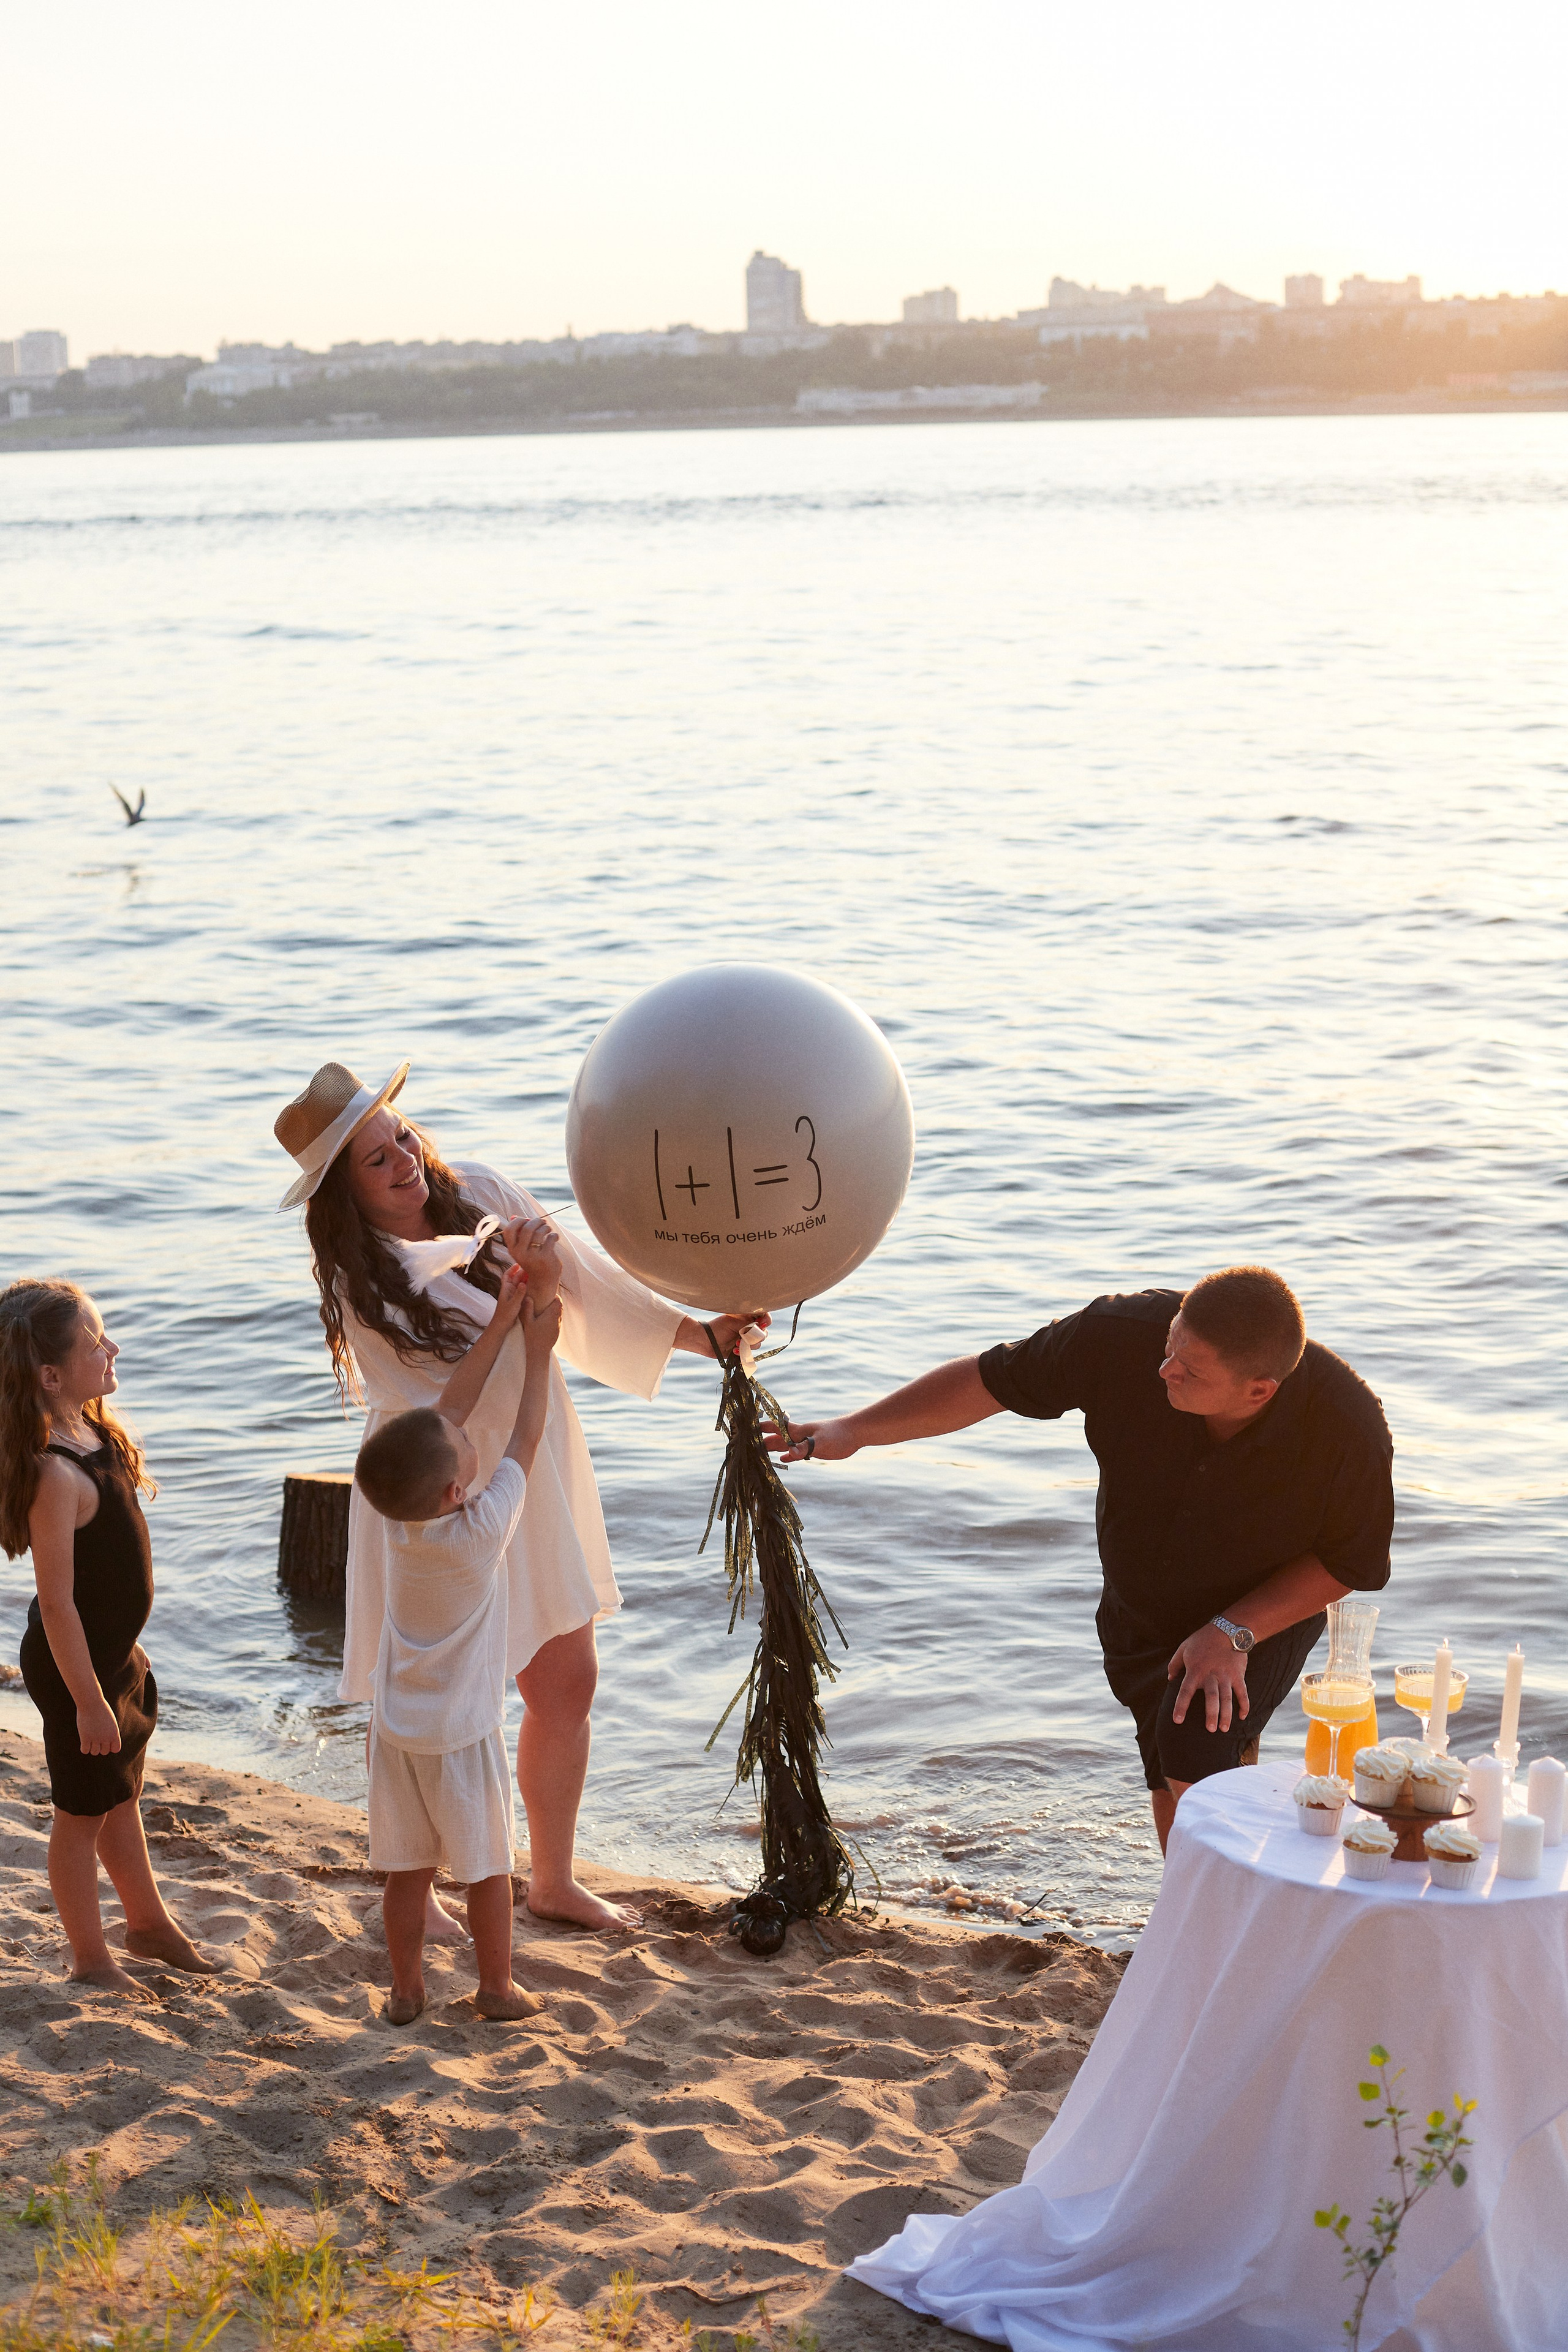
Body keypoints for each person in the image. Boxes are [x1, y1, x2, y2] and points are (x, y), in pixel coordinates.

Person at [274, 1058, 761, 1932]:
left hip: (532, 1456)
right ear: (344, 1194)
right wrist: (516, 1312)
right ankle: (420, 1888)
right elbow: (439, 1414)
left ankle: (553, 1878)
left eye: (401, 1137)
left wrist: (707, 1339)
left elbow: (594, 1292)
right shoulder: (362, 1282)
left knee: (566, 1678)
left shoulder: (487, 1192)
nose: (404, 1161)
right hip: (441, 1486)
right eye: (375, 1160)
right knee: (441, 1698)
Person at [771, 1265, 1393, 1853]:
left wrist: (1232, 1631)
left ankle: (1210, 1925)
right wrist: (853, 1430)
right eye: (1171, 1346)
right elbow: (990, 1381)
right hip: (1139, 1607)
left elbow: (1351, 1562)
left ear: (1259, 1390)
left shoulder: (1346, 1428)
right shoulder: (1120, 1336)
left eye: (1190, 1370)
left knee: (1190, 1746)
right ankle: (1199, 1909)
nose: (1164, 1370)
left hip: (1261, 1610)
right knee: (1173, 1762)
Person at [356, 1259, 560, 2025]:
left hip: (397, 1730)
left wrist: (504, 1317)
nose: (463, 1431)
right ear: (455, 1490)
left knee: (408, 1873)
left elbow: (447, 1415)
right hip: (463, 1736)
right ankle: (497, 1989)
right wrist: (537, 1350)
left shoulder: (399, 1519)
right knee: (483, 1871)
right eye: (459, 1447)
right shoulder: (479, 1531)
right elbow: (526, 1435)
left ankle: (407, 1992)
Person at [0, 1280, 217, 1997]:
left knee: (120, 1795)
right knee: (79, 1816)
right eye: (98, 1342)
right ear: (50, 1375)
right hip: (75, 1670)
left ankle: (148, 1924)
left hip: (112, 1658)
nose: (113, 1347)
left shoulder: (92, 1432)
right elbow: (59, 1606)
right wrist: (89, 1702)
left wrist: (124, 1657)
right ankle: (90, 1959)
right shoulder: (54, 1472)